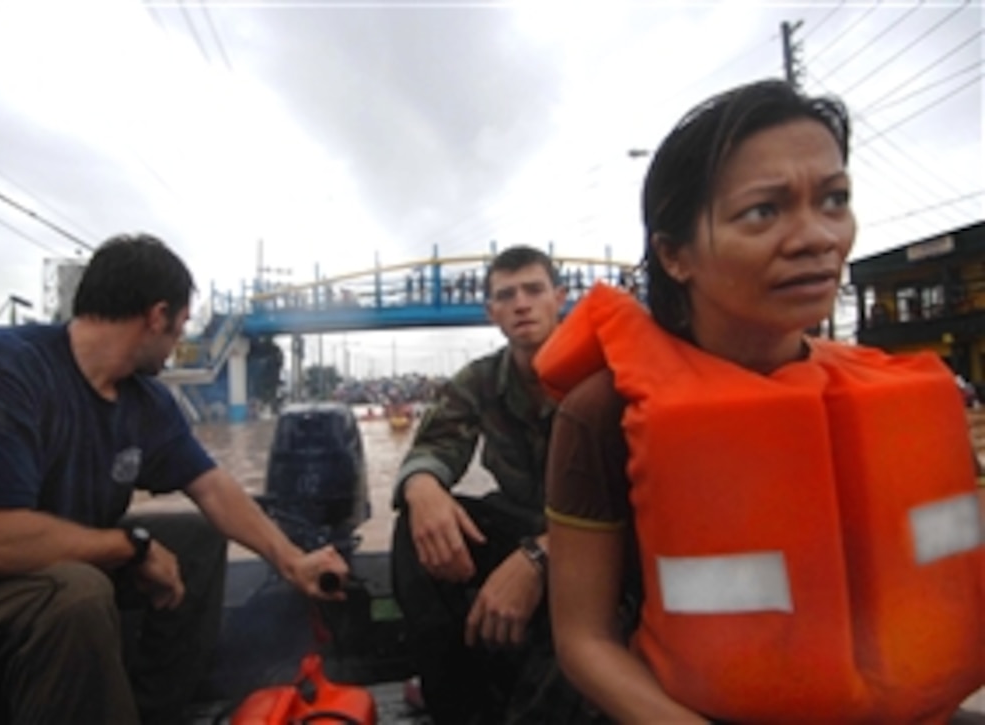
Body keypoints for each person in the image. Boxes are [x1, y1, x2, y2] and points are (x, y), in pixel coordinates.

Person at [538, 79, 984, 723]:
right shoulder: (599, 412)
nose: (818, 237)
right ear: (674, 255)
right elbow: (583, 640)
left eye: (834, 200)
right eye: (764, 212)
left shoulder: (913, 392)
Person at [0, 234, 349, 724]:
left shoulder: (144, 402)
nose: (181, 341)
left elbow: (212, 486)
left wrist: (292, 562)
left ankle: (152, 712)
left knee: (196, 541)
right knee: (75, 592)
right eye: (180, 326)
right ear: (157, 316)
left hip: (26, 574)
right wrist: (131, 547)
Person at [390, 245, 576, 724]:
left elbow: (642, 502)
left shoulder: (605, 374)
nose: (521, 304)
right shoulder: (480, 381)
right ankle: (458, 707)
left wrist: (540, 555)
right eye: (506, 295)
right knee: (418, 528)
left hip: (602, 546)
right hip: (523, 524)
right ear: (491, 313)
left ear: (560, 297)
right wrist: (424, 489)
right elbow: (433, 449)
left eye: (534, 290)